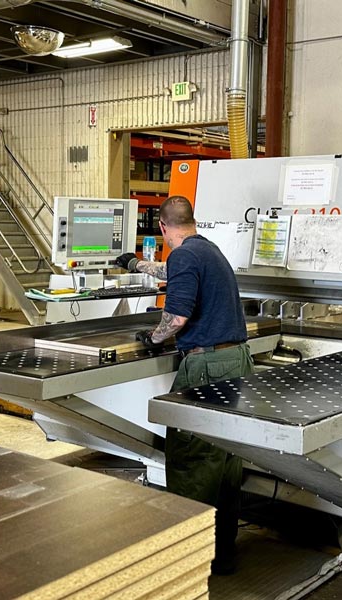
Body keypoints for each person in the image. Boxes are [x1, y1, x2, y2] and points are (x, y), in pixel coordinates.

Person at [116, 195, 253, 576]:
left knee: (194, 461)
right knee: (225, 461)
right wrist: (133, 264)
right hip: (235, 360)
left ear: (162, 228)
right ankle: (220, 556)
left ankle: (186, 564)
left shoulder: (185, 257)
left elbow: (175, 317)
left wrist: (153, 338)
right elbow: (170, 272)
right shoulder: (206, 250)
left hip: (206, 365)